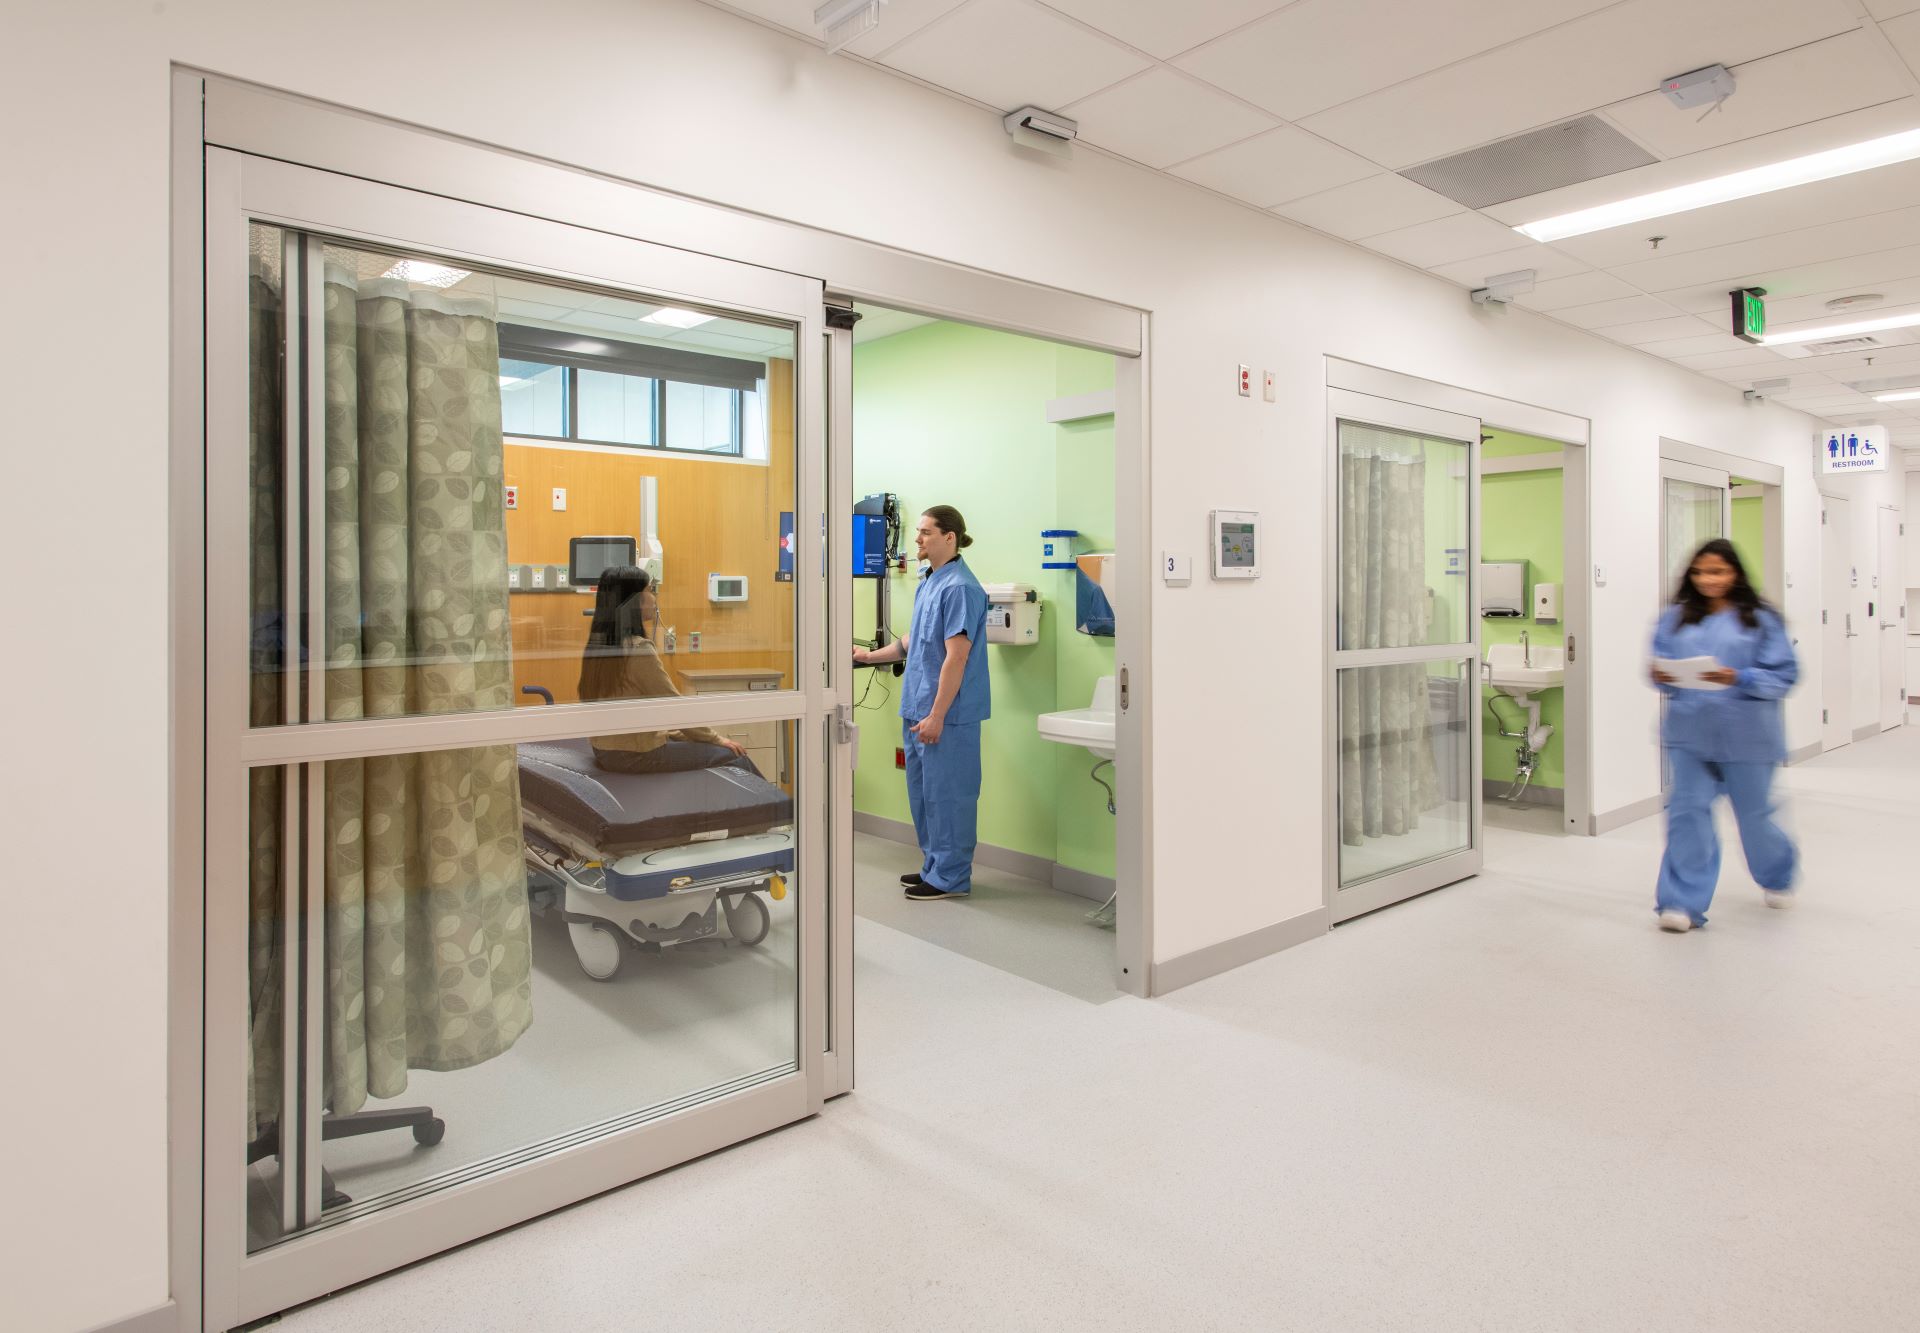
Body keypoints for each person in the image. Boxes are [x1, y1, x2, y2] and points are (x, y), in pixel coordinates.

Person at [1648, 538, 1799, 932]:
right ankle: (1681, 903)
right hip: (1689, 733)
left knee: (1754, 818)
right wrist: (1660, 674)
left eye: (1717, 571)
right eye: (1699, 572)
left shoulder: (1761, 618)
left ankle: (1777, 874)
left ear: (1735, 573)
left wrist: (1739, 676)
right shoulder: (1675, 617)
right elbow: (1659, 664)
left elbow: (1784, 675)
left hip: (1748, 735)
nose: (1707, 579)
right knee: (1686, 814)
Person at [852, 505, 990, 900]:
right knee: (924, 795)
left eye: (926, 533)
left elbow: (956, 657)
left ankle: (951, 877)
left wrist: (937, 715)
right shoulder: (930, 581)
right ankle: (934, 866)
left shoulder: (960, 588)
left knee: (949, 797)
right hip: (918, 708)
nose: (917, 540)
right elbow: (913, 642)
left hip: (946, 715)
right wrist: (867, 657)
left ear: (949, 537)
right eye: (918, 532)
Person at [578, 566, 750, 774]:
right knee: (734, 755)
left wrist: (683, 735)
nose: (654, 598)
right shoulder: (639, 649)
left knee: (697, 742)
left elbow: (639, 710)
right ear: (635, 601)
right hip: (635, 754)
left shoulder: (599, 644)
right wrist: (716, 739)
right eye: (649, 590)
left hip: (605, 751)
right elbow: (673, 707)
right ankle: (779, 807)